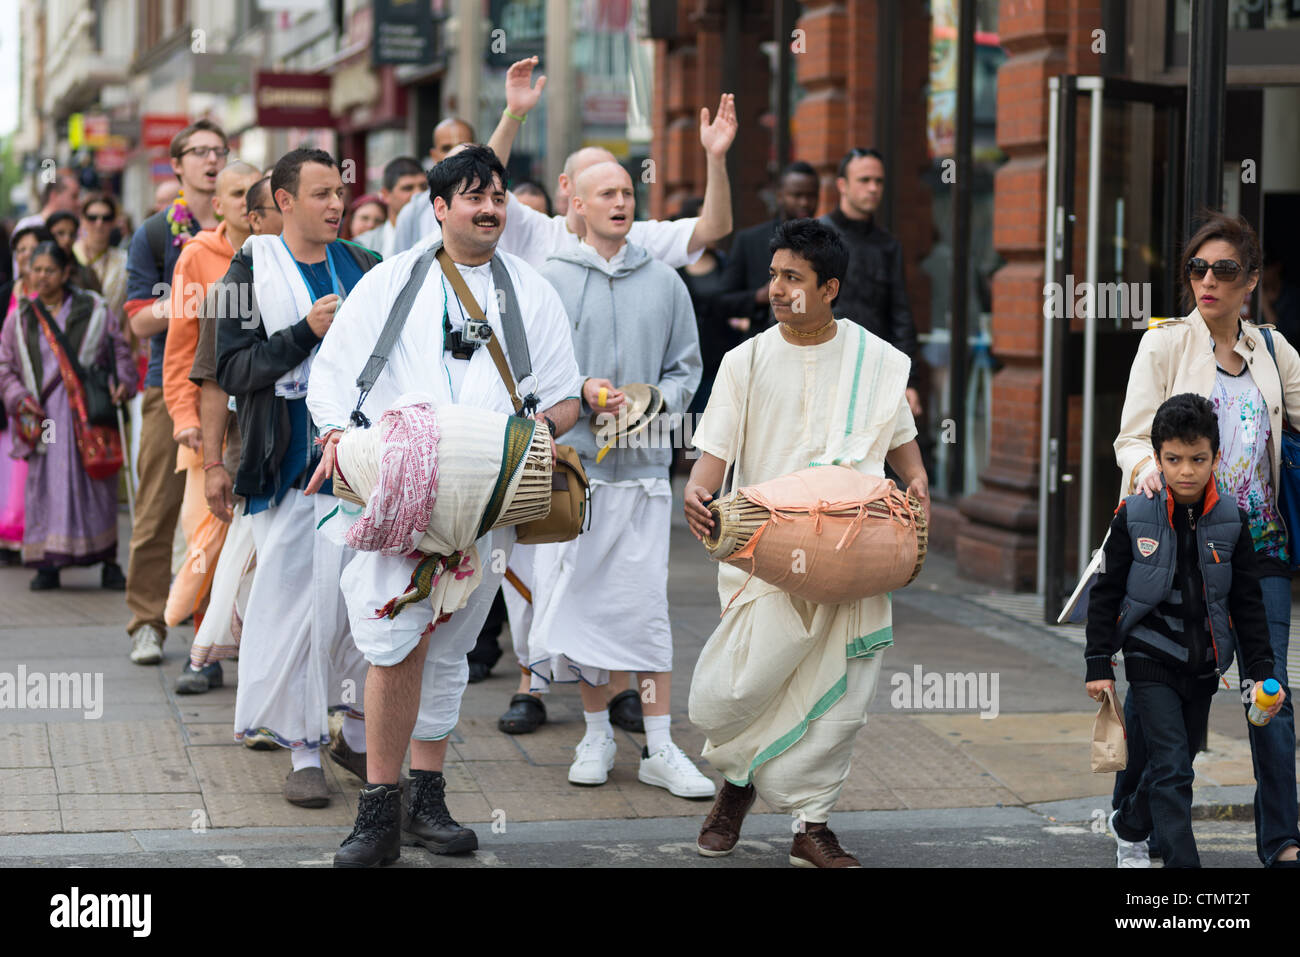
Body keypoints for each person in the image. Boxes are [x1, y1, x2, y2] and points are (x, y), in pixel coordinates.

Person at [305, 145, 582, 867]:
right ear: (438, 207)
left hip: (488, 502)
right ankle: (378, 809)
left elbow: (565, 396)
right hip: (400, 494)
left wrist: (526, 440)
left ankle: (427, 796)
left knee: (454, 645)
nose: (490, 209)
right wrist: (338, 436)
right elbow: (333, 378)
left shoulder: (531, 290)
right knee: (395, 643)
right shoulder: (391, 282)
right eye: (473, 197)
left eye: (498, 197)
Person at [683, 219, 929, 867]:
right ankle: (736, 785)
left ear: (830, 287)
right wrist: (697, 494)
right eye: (773, 275)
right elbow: (713, 455)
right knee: (744, 686)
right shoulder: (746, 360)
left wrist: (919, 486)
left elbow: (900, 437)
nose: (776, 289)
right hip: (764, 549)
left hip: (853, 546)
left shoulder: (875, 359)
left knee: (844, 694)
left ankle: (810, 824)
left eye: (792, 278)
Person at [1115, 211, 1300, 868]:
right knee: (1164, 690)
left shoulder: (1275, 353)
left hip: (1263, 543)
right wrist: (1148, 477)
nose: (1208, 280)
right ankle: (1134, 818)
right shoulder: (1165, 346)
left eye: (1224, 269)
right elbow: (1132, 436)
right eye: (1198, 267)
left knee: (1269, 689)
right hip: (1182, 541)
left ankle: (1282, 840)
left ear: (1250, 280)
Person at [529, 160, 712, 797]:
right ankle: (596, 732)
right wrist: (579, 394)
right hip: (575, 477)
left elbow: (688, 370)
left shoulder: (665, 281)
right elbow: (531, 378)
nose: (620, 202)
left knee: (644, 609)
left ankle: (660, 745)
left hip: (643, 476)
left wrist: (649, 403)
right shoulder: (547, 279)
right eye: (606, 193)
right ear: (575, 203)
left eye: (628, 193)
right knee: (582, 607)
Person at [215, 147, 379, 805]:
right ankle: (304, 747)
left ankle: (359, 736)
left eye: (338, 193)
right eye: (319, 194)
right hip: (285, 464)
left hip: (359, 465)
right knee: (294, 607)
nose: (335, 204)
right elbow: (231, 368)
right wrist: (301, 334)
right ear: (282, 201)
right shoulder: (248, 267)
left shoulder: (363, 264)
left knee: (361, 603)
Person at [1089, 393, 1283, 868]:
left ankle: (1129, 824)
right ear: (1156, 458)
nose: (1187, 471)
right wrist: (1099, 663)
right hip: (1150, 657)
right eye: (1173, 459)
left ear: (1216, 457)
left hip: (1203, 668)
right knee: (1174, 772)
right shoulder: (1134, 514)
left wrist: (1260, 670)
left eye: (1198, 459)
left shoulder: (1233, 520)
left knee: (1173, 767)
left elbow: (1247, 603)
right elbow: (1106, 591)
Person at [121, 118, 229, 665]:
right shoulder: (159, 233)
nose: (212, 160)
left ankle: (213, 630)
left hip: (235, 386)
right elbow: (137, 322)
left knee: (223, 512)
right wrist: (192, 301)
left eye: (220, 151)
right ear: (178, 165)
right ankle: (146, 621)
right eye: (199, 152)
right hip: (171, 386)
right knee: (157, 508)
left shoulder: (249, 226)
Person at [179, 175, 282, 718]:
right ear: (257, 219)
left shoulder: (347, 270)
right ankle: (266, 711)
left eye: (338, 196)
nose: (332, 208)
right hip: (255, 463)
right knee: (256, 587)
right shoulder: (235, 289)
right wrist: (214, 462)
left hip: (331, 464)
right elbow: (213, 381)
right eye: (280, 207)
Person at [162, 161, 263, 693]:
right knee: (206, 542)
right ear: (218, 204)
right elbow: (182, 347)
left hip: (263, 431)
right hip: (206, 428)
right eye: (237, 193)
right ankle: (201, 655)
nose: (248, 202)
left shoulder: (280, 252)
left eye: (256, 192)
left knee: (254, 550)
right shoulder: (196, 257)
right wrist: (186, 419)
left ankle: (247, 652)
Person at [0, 242, 136, 588]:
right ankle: (47, 564)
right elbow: (5, 367)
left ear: (65, 273)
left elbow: (119, 349)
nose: (41, 276)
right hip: (43, 418)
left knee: (96, 480)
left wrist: (121, 381)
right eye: (36, 269)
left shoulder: (94, 309)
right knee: (44, 478)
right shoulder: (20, 319)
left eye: (49, 270)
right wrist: (19, 398)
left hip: (86, 414)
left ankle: (106, 559)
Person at [820, 148, 922, 418]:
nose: (873, 188)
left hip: (875, 374)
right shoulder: (817, 236)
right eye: (864, 180)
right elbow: (789, 304)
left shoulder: (888, 245)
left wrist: (909, 381)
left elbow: (900, 314)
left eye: (879, 181)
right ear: (842, 185)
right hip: (822, 370)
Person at [711, 161, 820, 338]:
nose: (804, 203)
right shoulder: (750, 240)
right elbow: (721, 302)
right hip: (762, 345)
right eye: (797, 195)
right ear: (780, 196)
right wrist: (758, 297)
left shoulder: (828, 242)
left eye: (811, 195)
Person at [0, 226, 52, 562]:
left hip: (48, 397)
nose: (25, 255)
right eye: (20, 249)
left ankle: (37, 534)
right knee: (10, 467)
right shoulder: (6, 293)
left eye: (33, 249)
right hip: (9, 395)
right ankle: (9, 534)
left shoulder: (56, 297)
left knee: (42, 466)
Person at [355, 158, 427, 258]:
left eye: (424, 187)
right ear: (385, 195)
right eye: (408, 188)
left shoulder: (439, 237)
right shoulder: (364, 246)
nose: (418, 194)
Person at [73, 194, 128, 323]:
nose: (99, 223)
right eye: (92, 218)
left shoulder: (123, 260)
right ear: (82, 220)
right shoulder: (70, 256)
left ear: (114, 222)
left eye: (106, 218)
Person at [45, 211, 102, 295]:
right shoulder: (36, 271)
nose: (67, 240)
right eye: (60, 233)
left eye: (72, 235)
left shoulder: (86, 274)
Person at [14, 169, 81, 232]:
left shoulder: (78, 229)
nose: (79, 203)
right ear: (54, 196)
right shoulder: (27, 227)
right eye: (74, 196)